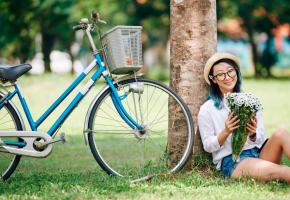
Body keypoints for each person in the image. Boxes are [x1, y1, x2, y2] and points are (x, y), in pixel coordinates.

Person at [198, 52, 290, 182]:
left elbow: (260, 138)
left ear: (236, 72)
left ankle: (267, 171)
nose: (227, 77)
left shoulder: (249, 102)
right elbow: (208, 146)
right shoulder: (207, 109)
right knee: (284, 171)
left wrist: (252, 133)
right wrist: (226, 131)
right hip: (233, 161)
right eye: (220, 74)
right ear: (214, 79)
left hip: (257, 153)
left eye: (230, 71)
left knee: (281, 133)